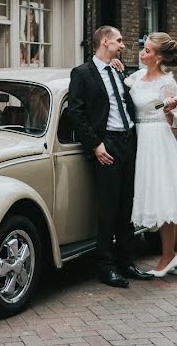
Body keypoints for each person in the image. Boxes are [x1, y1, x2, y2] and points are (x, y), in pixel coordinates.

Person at [68, 26, 153, 288]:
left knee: (127, 203)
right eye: (118, 41)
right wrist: (95, 145)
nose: (123, 45)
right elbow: (76, 113)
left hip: (129, 141)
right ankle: (105, 266)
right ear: (105, 42)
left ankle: (126, 261)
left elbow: (128, 103)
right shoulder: (82, 74)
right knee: (109, 206)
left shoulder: (119, 69)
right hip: (107, 145)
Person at [128, 32, 177, 277]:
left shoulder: (167, 82)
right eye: (143, 48)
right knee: (158, 198)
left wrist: (169, 110)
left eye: (147, 50)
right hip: (141, 140)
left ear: (158, 58)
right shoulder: (136, 77)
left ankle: (170, 256)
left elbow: (175, 121)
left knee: (162, 196)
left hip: (159, 139)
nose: (142, 53)